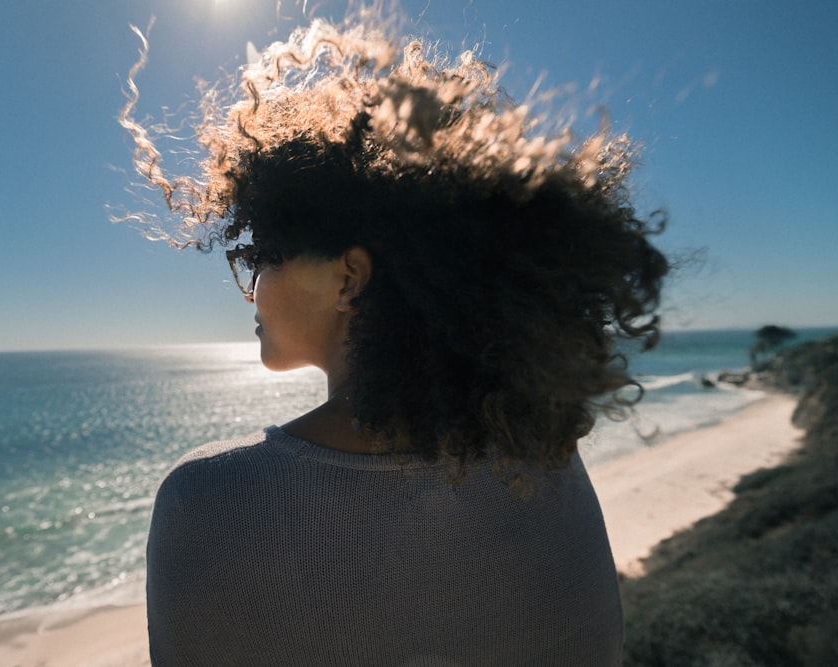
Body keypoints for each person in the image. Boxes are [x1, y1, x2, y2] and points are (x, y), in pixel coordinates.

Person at [120, 11, 667, 666]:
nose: (253, 286)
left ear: (349, 276)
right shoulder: (547, 466)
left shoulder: (207, 500)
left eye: (263, 254)